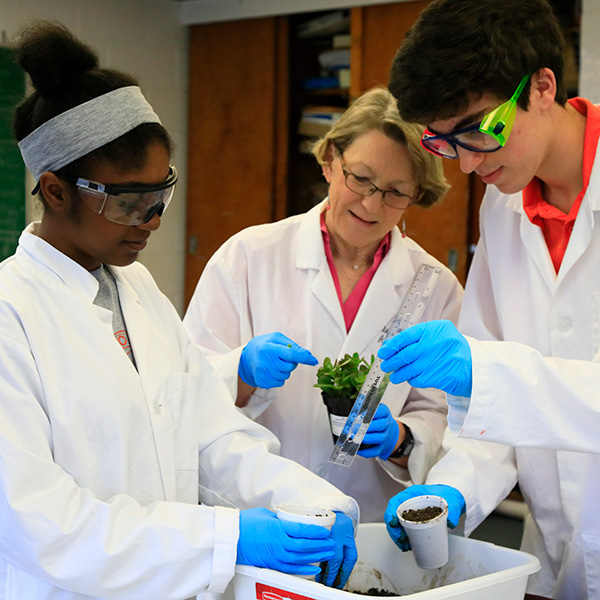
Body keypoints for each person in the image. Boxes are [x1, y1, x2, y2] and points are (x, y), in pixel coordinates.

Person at [1, 21, 360, 600]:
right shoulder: (11, 316)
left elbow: (214, 436)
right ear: (56, 190)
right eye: (129, 202)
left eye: (160, 194)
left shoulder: (138, 292)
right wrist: (225, 538)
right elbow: (42, 522)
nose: (154, 221)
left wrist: (314, 502)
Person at [378, 0, 600, 598]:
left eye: (481, 127)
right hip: (553, 558)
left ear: (543, 87)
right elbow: (493, 402)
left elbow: (498, 378)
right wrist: (455, 484)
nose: (471, 163)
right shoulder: (503, 205)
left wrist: (485, 373)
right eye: (444, 142)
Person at [183, 86, 464, 523]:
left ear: (417, 195)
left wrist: (403, 440)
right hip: (261, 517)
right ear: (331, 159)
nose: (372, 204)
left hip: (371, 530)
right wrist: (238, 371)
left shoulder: (435, 287)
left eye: (395, 192)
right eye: (362, 178)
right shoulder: (248, 256)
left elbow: (448, 415)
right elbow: (184, 390)